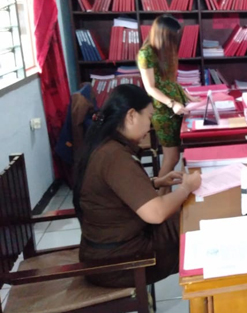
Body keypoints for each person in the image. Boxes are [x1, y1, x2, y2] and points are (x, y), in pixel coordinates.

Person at [73, 84, 202, 287]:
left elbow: (112, 191)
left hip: (111, 248)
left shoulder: (105, 144)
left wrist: (155, 182)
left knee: (191, 218)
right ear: (131, 115)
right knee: (197, 228)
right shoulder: (114, 155)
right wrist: (186, 188)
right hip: (120, 260)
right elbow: (156, 214)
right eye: (149, 117)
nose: (150, 126)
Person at [138, 14, 197, 181]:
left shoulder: (164, 51)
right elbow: (150, 87)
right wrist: (172, 104)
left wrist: (187, 96)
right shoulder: (146, 54)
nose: (175, 40)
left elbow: (170, 81)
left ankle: (167, 193)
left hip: (176, 107)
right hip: (164, 111)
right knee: (172, 158)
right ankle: (161, 193)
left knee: (174, 157)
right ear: (163, 35)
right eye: (173, 36)